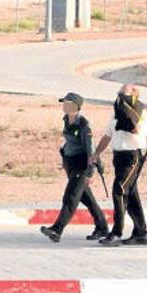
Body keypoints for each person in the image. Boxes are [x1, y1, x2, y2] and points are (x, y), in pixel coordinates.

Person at [40, 92, 109, 243]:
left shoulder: (83, 125)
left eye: (66, 103)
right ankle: (102, 227)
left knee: (70, 198)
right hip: (71, 165)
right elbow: (70, 142)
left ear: (75, 106)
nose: (63, 106)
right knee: (87, 199)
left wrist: (90, 173)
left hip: (81, 166)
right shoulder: (66, 120)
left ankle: (57, 229)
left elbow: (90, 149)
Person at [91, 83, 147, 247]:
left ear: (133, 95)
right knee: (131, 195)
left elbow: (138, 131)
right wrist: (96, 153)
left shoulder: (140, 112)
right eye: (119, 95)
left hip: (132, 156)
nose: (120, 99)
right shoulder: (116, 114)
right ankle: (140, 233)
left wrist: (128, 116)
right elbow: (108, 135)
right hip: (119, 156)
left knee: (119, 191)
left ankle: (116, 232)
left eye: (123, 95)